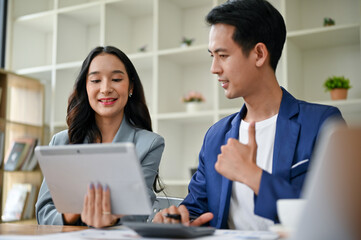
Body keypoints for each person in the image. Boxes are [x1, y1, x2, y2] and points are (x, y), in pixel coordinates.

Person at [153, 0, 344, 230]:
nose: (214, 68)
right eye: (211, 55)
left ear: (259, 54)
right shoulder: (215, 136)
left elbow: (332, 216)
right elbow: (195, 209)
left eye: (222, 55)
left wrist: (253, 176)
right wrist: (176, 218)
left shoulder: (322, 124)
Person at [36, 46, 165, 228]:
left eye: (116, 79)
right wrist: (69, 215)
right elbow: (43, 212)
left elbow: (138, 212)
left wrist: (112, 219)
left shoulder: (150, 144)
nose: (105, 89)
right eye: (95, 80)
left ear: (131, 87)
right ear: (85, 88)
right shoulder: (60, 142)